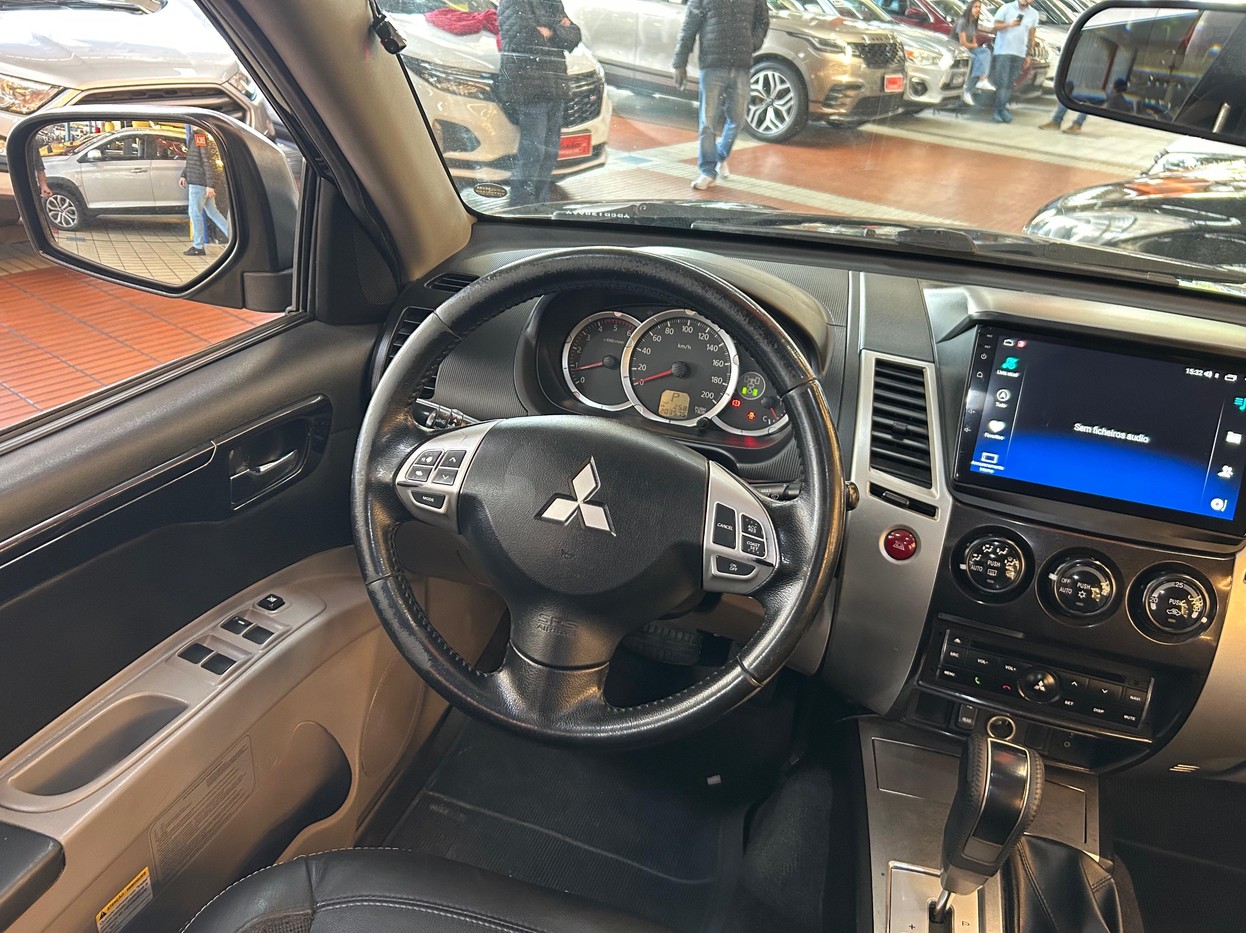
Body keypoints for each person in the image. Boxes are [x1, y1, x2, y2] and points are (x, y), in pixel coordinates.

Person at [672, 0, 770, 191]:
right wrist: (679, 63)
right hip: (712, 65)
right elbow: (689, 27)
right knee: (707, 123)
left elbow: (763, 20)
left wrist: (752, 43)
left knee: (738, 119)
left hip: (740, 65)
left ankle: (719, 155)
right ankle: (708, 171)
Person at [496, 0, 581, 207]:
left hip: (555, 86)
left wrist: (549, 31)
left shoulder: (552, 2)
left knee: (550, 152)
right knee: (533, 152)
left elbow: (575, 35)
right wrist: (558, 29)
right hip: (529, 87)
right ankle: (521, 205)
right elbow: (523, 36)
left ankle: (540, 203)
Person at [178, 126, 230, 256]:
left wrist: (210, 185)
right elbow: (192, 160)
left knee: (195, 213)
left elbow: (207, 162)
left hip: (198, 183)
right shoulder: (196, 136)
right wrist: (184, 175)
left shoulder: (199, 136)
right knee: (213, 212)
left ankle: (198, 246)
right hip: (199, 182)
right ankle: (233, 235)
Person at [989, 0, 1039, 123]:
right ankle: (998, 110)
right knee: (1002, 82)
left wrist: (1028, 54)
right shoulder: (1006, 8)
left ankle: (1002, 109)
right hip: (1004, 51)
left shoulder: (1034, 14)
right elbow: (995, 27)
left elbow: (1031, 36)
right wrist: (1009, 24)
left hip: (1019, 52)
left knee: (1010, 83)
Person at [955, 0, 994, 105]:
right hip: (958, 48)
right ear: (970, 8)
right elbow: (962, 43)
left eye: (979, 7)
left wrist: (974, 45)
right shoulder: (962, 22)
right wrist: (973, 45)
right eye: (975, 7)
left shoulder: (973, 22)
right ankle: (967, 90)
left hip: (969, 48)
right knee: (976, 59)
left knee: (985, 52)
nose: (978, 9)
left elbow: (973, 40)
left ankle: (982, 79)